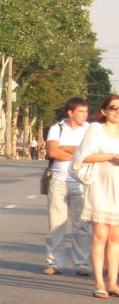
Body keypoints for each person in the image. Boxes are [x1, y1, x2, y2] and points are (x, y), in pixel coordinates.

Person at [71, 94, 119, 297]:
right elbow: (84, 156)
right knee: (100, 236)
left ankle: (112, 282)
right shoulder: (96, 129)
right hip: (100, 187)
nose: (117, 112)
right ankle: (99, 282)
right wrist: (113, 156)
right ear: (104, 111)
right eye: (113, 108)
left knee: (116, 238)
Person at [43, 97, 91, 276]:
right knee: (56, 224)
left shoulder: (90, 130)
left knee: (81, 225)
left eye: (86, 111)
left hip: (81, 182)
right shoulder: (58, 128)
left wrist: (69, 149)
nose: (85, 115)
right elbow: (53, 152)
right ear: (70, 113)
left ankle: (81, 263)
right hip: (59, 180)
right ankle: (54, 262)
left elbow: (92, 154)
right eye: (81, 111)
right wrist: (79, 152)